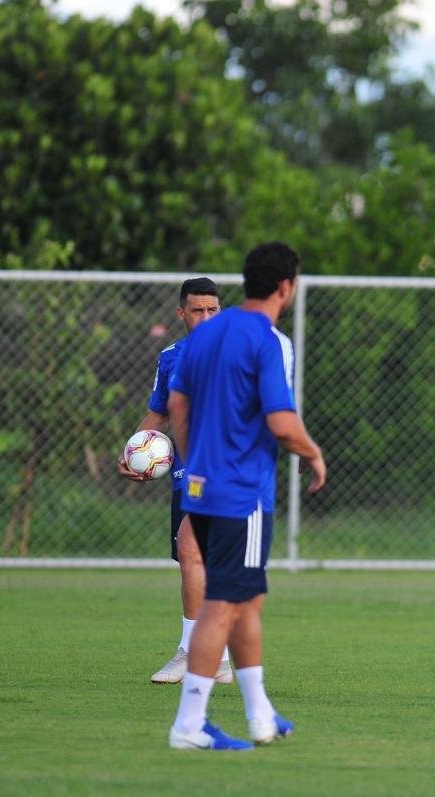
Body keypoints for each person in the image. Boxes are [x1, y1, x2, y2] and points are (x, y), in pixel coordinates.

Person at [166, 241, 327, 750]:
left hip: (202, 489)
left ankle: (260, 714)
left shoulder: (207, 334)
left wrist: (197, 463)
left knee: (246, 599)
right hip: (242, 494)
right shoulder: (267, 340)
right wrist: (313, 453)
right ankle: (189, 724)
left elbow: (177, 400)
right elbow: (281, 422)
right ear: (287, 287)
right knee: (224, 603)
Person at [117, 277, 234, 685]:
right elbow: (158, 415)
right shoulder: (171, 357)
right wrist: (134, 449)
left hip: (221, 468)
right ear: (181, 314)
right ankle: (215, 660)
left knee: (191, 550)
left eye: (212, 310)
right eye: (197, 310)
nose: (205, 318)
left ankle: (193, 653)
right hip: (186, 474)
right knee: (194, 559)